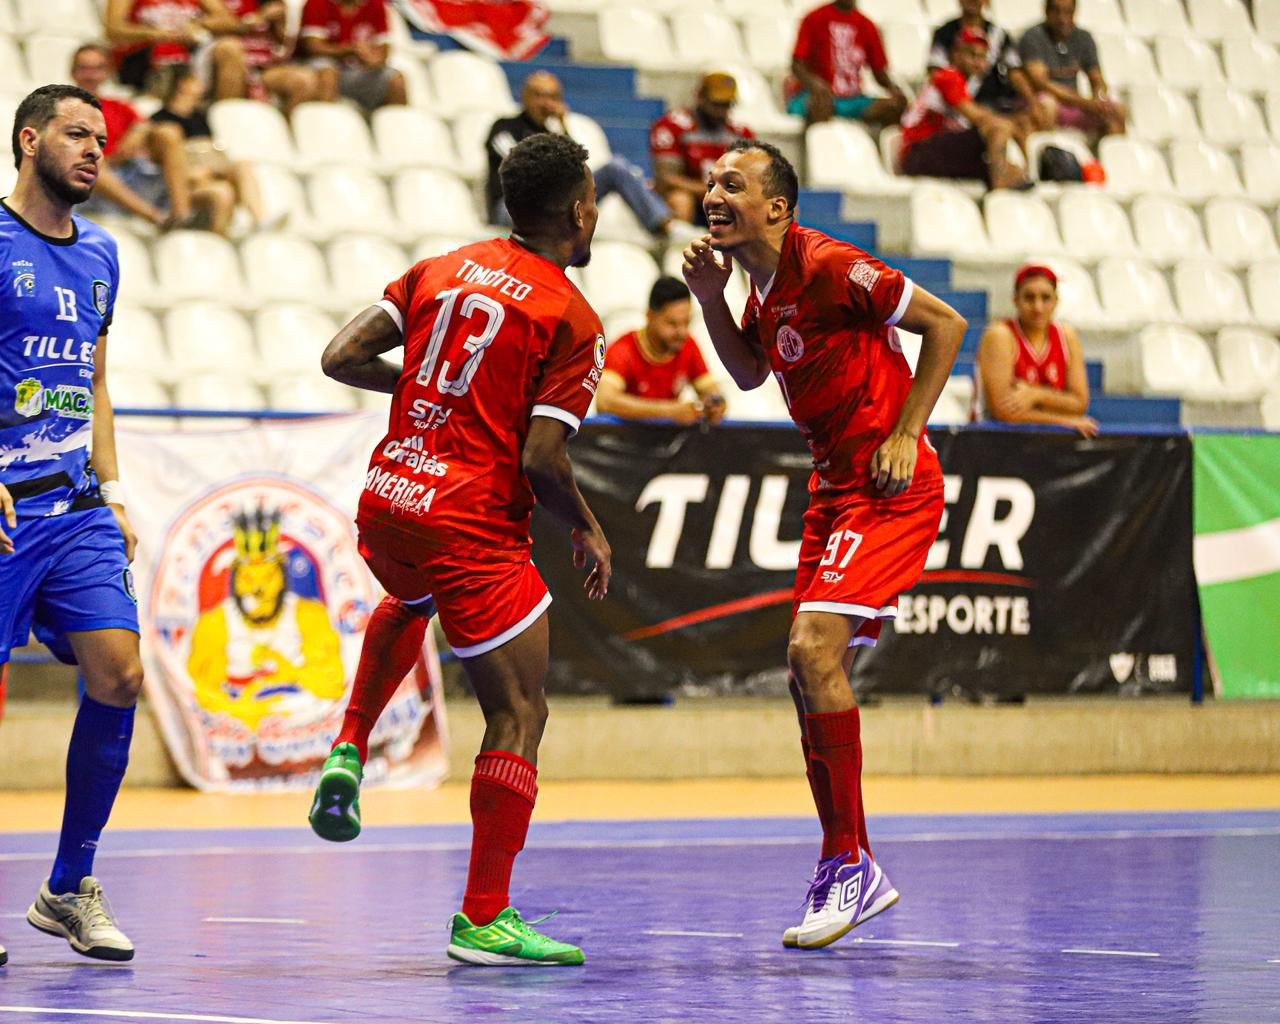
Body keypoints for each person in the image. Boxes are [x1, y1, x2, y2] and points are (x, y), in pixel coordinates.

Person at [308, 132, 611, 967]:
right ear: (579, 211)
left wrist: (425, 389)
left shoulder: (440, 268)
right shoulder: (571, 316)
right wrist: (586, 524)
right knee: (519, 713)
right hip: (468, 520)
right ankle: (483, 917)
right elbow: (542, 460)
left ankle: (347, 747)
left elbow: (340, 357)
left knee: (410, 597)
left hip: (389, 502)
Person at [682, 140, 966, 950]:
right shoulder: (760, 288)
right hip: (832, 489)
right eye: (710, 182)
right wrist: (710, 300)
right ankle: (848, 860)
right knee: (804, 668)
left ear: (777, 207)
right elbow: (747, 374)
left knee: (813, 650)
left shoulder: (831, 265)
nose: (713, 193)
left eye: (732, 183)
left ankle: (848, 861)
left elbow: (946, 324)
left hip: (888, 484)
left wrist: (907, 432)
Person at [1, 84, 143, 963]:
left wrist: (115, 490)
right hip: (5, 506)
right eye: (77, 133)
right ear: (29, 140)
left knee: (119, 674)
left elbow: (94, 380)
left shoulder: (101, 253)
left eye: (102, 138)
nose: (94, 149)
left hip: (77, 506)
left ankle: (67, 886)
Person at [485, 71, 673, 237]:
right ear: (524, 97)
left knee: (614, 168)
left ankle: (662, 224)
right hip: (514, 208)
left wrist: (563, 126)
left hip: (555, 207)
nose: (546, 103)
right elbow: (521, 170)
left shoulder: (554, 134)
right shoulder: (504, 127)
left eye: (553, 97)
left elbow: (576, 172)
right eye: (539, 96)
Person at [70, 43, 231, 233]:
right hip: (94, 184)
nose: (91, 75)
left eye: (97, 68)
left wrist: (140, 132)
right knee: (90, 165)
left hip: (134, 174)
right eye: (84, 68)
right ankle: (158, 219)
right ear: (73, 72)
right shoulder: (62, 110)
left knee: (169, 133)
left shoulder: (120, 107)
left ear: (107, 72)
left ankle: (181, 215)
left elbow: (145, 130)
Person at [151, 67, 278, 234]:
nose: (202, 85)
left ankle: (261, 221)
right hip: (186, 181)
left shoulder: (200, 117)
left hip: (211, 170)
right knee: (220, 191)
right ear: (183, 84)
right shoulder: (160, 120)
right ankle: (216, 236)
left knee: (243, 165)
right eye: (196, 81)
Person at [900, 28, 1029, 189]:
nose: (978, 62)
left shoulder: (964, 85)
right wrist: (1012, 126)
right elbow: (978, 117)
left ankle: (1002, 185)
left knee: (1015, 172)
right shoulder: (948, 77)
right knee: (999, 128)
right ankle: (999, 186)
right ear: (956, 54)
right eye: (972, 55)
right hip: (920, 151)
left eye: (982, 57)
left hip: (939, 150)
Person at [976, 263, 1098, 436]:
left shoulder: (1066, 336)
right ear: (1015, 300)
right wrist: (1064, 420)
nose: (1037, 307)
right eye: (1029, 297)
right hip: (995, 439)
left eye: (1045, 298)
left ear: (1056, 301)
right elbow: (1003, 412)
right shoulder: (1000, 335)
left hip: (1047, 442)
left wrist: (1036, 394)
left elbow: (1079, 403)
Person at [597, 276, 726, 424]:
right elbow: (605, 402)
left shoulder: (688, 345)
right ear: (650, 316)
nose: (682, 332)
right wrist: (671, 411)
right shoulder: (623, 349)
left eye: (686, 323)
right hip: (626, 437)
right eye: (672, 323)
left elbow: (712, 391)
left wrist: (715, 404)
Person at [928, 0, 1048, 136]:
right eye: (971, 54)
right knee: (999, 128)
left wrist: (1033, 103)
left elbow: (1014, 71)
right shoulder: (944, 34)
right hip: (958, 106)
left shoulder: (999, 34)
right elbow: (935, 73)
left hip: (994, 100)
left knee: (1028, 119)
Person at [649, 72, 754, 227]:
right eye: (716, 104)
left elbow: (750, 179)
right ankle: (681, 240)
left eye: (726, 105)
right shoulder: (671, 126)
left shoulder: (741, 133)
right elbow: (666, 178)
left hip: (725, 199)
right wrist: (711, 190)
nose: (721, 111)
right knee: (681, 200)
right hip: (691, 197)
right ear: (700, 97)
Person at [787, 0, 907, 127]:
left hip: (853, 99)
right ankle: (820, 138)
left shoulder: (867, 25)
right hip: (814, 96)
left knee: (894, 107)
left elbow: (879, 73)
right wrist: (816, 85)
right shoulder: (814, 18)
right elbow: (797, 65)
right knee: (820, 104)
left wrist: (894, 89)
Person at [1019, 0, 1125, 140]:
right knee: (1047, 105)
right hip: (1048, 100)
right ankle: (1049, 151)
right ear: (1047, 11)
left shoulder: (1084, 38)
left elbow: (1097, 78)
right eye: (1057, 11)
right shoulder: (1033, 37)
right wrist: (1082, 102)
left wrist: (1099, 99)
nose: (1062, 19)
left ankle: (1109, 152)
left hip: (1075, 104)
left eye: (1067, 12)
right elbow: (1041, 83)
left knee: (1116, 111)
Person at [105, 0, 249, 100]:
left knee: (231, 48)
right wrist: (155, 33)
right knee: (166, 56)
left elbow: (229, 21)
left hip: (189, 55)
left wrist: (197, 24)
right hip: (144, 56)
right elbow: (112, 29)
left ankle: (227, 119)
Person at [299, 0, 407, 111]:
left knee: (396, 81)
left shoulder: (376, 4)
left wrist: (371, 59)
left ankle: (397, 121)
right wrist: (349, 50)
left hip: (358, 70)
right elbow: (313, 47)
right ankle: (325, 118)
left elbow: (383, 50)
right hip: (324, 65)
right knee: (327, 73)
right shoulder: (317, 3)